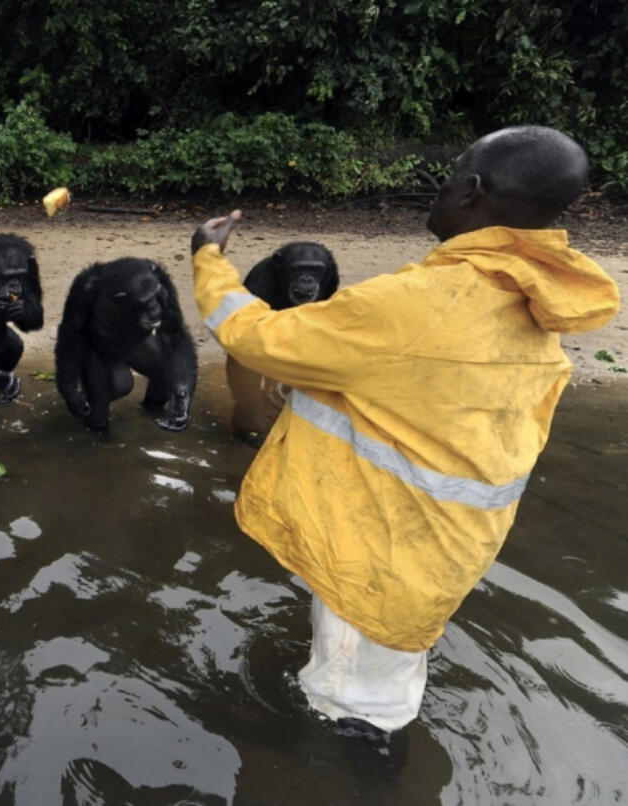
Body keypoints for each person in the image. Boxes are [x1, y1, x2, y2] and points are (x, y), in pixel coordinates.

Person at [190, 126, 620, 736]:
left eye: (447, 179)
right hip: (441, 553)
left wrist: (207, 259)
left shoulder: (417, 302)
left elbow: (253, 337)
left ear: (470, 191)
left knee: (349, 711)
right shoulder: (530, 295)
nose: (436, 192)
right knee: (387, 681)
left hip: (378, 551)